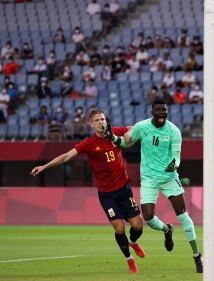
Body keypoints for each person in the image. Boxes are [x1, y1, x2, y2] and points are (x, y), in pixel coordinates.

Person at [30, 109, 145, 273]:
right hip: (107, 194)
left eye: (102, 119)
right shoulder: (88, 144)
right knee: (119, 229)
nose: (101, 122)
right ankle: (129, 259)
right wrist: (44, 166)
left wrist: (129, 133)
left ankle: (133, 242)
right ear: (92, 124)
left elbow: (133, 127)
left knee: (138, 226)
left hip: (124, 189)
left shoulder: (115, 132)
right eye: (97, 120)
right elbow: (66, 156)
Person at [104, 99, 203, 273]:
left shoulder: (174, 131)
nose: (161, 113)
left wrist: (174, 164)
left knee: (183, 215)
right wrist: (112, 137)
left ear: (167, 112)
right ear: (152, 112)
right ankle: (167, 229)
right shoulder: (142, 127)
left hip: (169, 177)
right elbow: (126, 143)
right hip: (149, 178)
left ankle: (197, 256)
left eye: (164, 110)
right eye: (158, 110)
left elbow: (176, 156)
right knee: (148, 218)